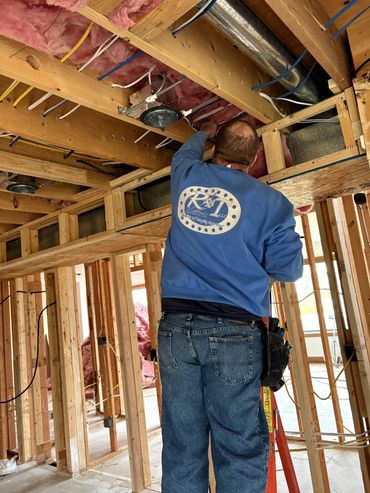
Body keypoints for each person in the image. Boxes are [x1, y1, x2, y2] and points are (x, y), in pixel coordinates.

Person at [158, 120, 303, 493]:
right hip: (233, 330)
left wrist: (203, 135)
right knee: (238, 445)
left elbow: (184, 151)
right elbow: (287, 270)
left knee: (182, 442)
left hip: (175, 328)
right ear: (255, 158)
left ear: (215, 150)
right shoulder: (274, 203)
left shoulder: (188, 173)